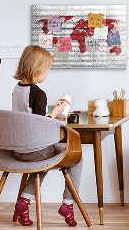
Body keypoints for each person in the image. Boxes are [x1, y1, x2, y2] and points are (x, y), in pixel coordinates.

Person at [12, 45, 82, 227]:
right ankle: (68, 204)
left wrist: (51, 113)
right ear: (38, 69)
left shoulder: (17, 89)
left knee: (42, 162)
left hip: (18, 150)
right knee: (77, 158)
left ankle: (24, 202)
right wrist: (56, 113)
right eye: (48, 69)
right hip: (35, 150)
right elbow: (39, 125)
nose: (48, 73)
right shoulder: (38, 93)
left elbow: (29, 118)